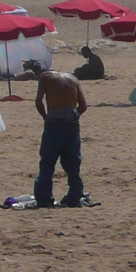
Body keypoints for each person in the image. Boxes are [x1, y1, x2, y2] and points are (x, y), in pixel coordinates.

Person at [34, 68, 90, 208]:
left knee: (47, 162)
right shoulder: (73, 78)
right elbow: (83, 105)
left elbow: (39, 101)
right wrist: (74, 116)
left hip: (54, 122)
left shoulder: (45, 76)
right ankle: (74, 196)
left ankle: (44, 198)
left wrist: (45, 117)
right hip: (71, 123)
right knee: (73, 164)